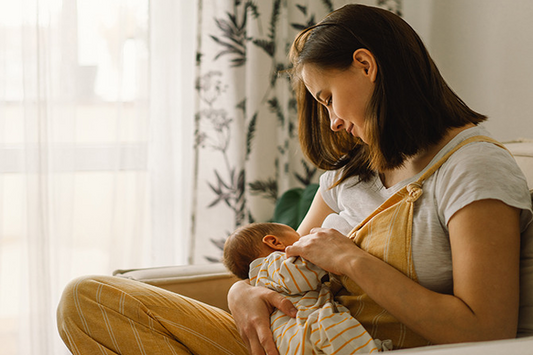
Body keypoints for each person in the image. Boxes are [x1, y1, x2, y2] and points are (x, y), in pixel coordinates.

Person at [56, 4, 532, 355]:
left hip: (366, 347)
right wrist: (241, 292)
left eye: (327, 98)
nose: (332, 123)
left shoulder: (472, 168)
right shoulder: (351, 171)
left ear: (366, 66)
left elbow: (485, 330)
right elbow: (289, 268)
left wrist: (352, 260)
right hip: (298, 342)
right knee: (86, 300)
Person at [223, 222, 386, 354]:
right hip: (308, 325)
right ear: (275, 242)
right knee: (340, 330)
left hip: (290, 338)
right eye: (299, 236)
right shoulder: (273, 264)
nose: (305, 239)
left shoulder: (262, 279)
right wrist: (327, 255)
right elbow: (299, 276)